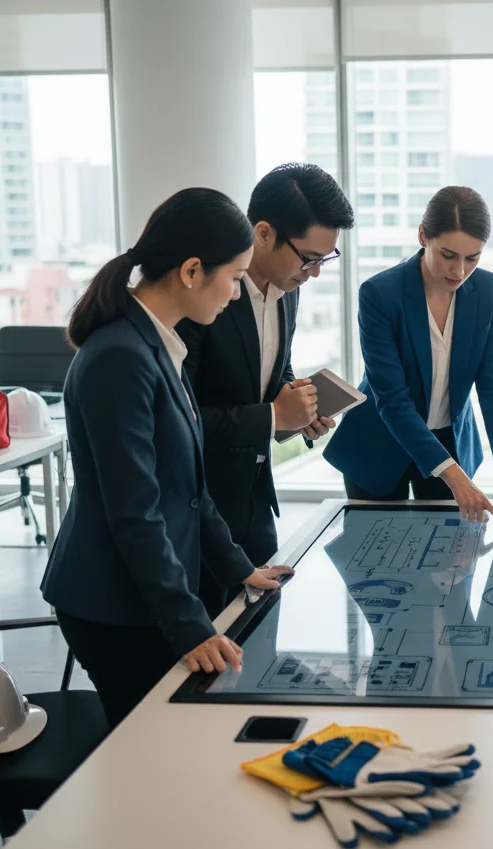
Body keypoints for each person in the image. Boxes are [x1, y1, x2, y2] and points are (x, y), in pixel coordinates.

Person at [42, 188, 292, 729]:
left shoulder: (158, 344)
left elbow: (188, 488)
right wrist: (191, 625)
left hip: (144, 591)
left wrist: (240, 569)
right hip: (111, 603)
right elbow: (135, 511)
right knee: (153, 747)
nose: (233, 295)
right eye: (233, 277)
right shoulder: (119, 357)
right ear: (192, 271)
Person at [177, 163, 355, 615]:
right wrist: (275, 416)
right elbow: (178, 418)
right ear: (263, 233)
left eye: (324, 260)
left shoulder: (287, 286)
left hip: (256, 507)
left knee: (258, 641)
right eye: (309, 258)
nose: (314, 273)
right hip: (198, 515)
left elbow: (271, 368)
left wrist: (299, 405)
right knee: (205, 664)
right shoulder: (201, 297)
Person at [323, 186, 493, 525]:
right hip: (379, 442)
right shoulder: (379, 294)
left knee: (449, 566)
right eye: (448, 255)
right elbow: (392, 400)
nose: (459, 271)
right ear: (423, 236)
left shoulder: (488, 291)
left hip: (451, 440)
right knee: (374, 563)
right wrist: (454, 475)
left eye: (472, 259)